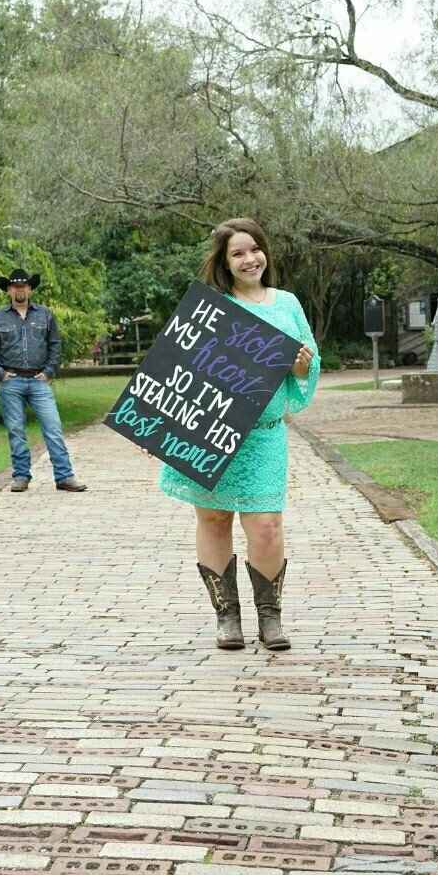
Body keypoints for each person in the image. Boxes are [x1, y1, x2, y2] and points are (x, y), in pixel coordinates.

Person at [158, 219, 320, 652]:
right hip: (209, 431)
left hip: (264, 436)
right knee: (213, 519)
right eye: (237, 253)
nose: (249, 259)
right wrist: (160, 423)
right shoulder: (212, 307)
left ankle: (271, 616)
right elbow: (179, 371)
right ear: (224, 262)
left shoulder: (286, 304)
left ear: (264, 251)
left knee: (266, 525)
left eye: (254, 250)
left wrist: (301, 365)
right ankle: (226, 616)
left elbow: (309, 364)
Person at [0, 268, 87, 493]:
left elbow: (55, 345)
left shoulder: (45, 315)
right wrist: (1, 374)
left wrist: (49, 372)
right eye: (15, 287)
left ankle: (64, 476)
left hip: (39, 380)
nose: (19, 290)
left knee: (53, 428)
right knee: (16, 430)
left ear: (30, 289)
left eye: (23, 286)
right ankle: (21, 476)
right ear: (9, 290)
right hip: (12, 380)